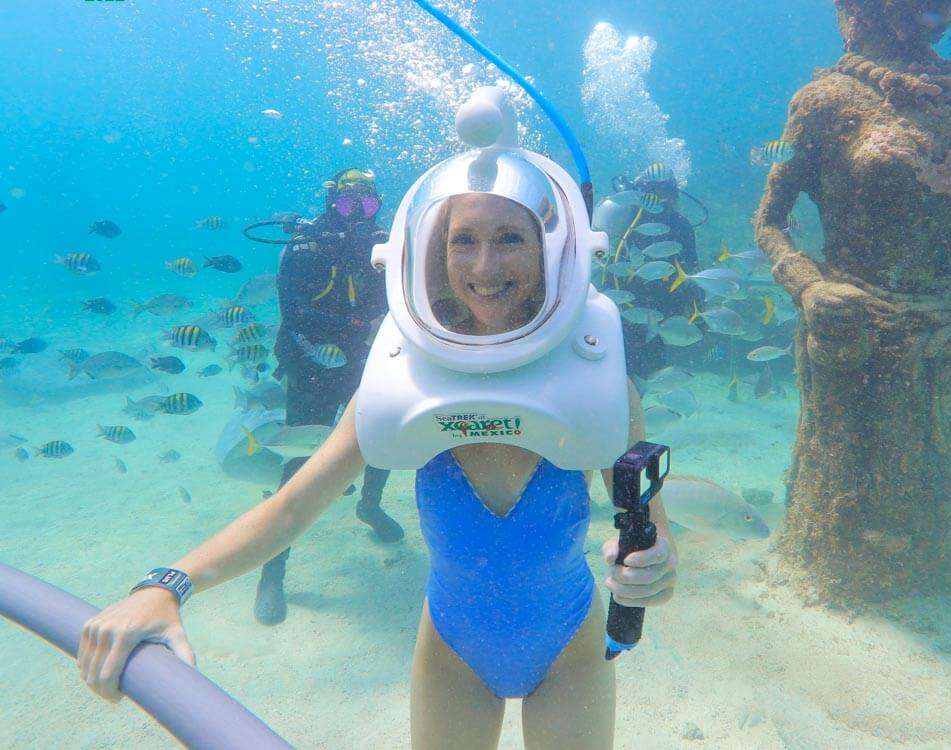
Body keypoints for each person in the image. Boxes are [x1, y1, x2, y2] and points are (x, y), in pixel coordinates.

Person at [76, 87, 677, 750]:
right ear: (433, 259)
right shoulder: (405, 378)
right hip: (452, 658)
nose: (484, 265)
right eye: (463, 241)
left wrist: (655, 570)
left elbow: (653, 535)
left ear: (550, 251)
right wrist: (167, 585)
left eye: (510, 238)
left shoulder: (595, 383)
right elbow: (289, 510)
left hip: (573, 655)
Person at [255, 167, 404, 626]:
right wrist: (344, 335)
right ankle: (271, 570)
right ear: (330, 203)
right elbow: (291, 309)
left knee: (382, 441)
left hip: (371, 362)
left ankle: (369, 506)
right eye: (346, 202)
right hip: (313, 365)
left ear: (378, 204)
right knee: (299, 461)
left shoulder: (389, 243)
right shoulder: (306, 245)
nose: (356, 211)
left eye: (366, 202)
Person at [593, 164, 706, 382]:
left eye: (664, 192)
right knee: (627, 370)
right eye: (658, 191)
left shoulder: (678, 224)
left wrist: (695, 308)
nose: (661, 198)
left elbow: (689, 271)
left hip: (651, 308)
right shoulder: (629, 218)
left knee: (639, 374)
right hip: (626, 301)